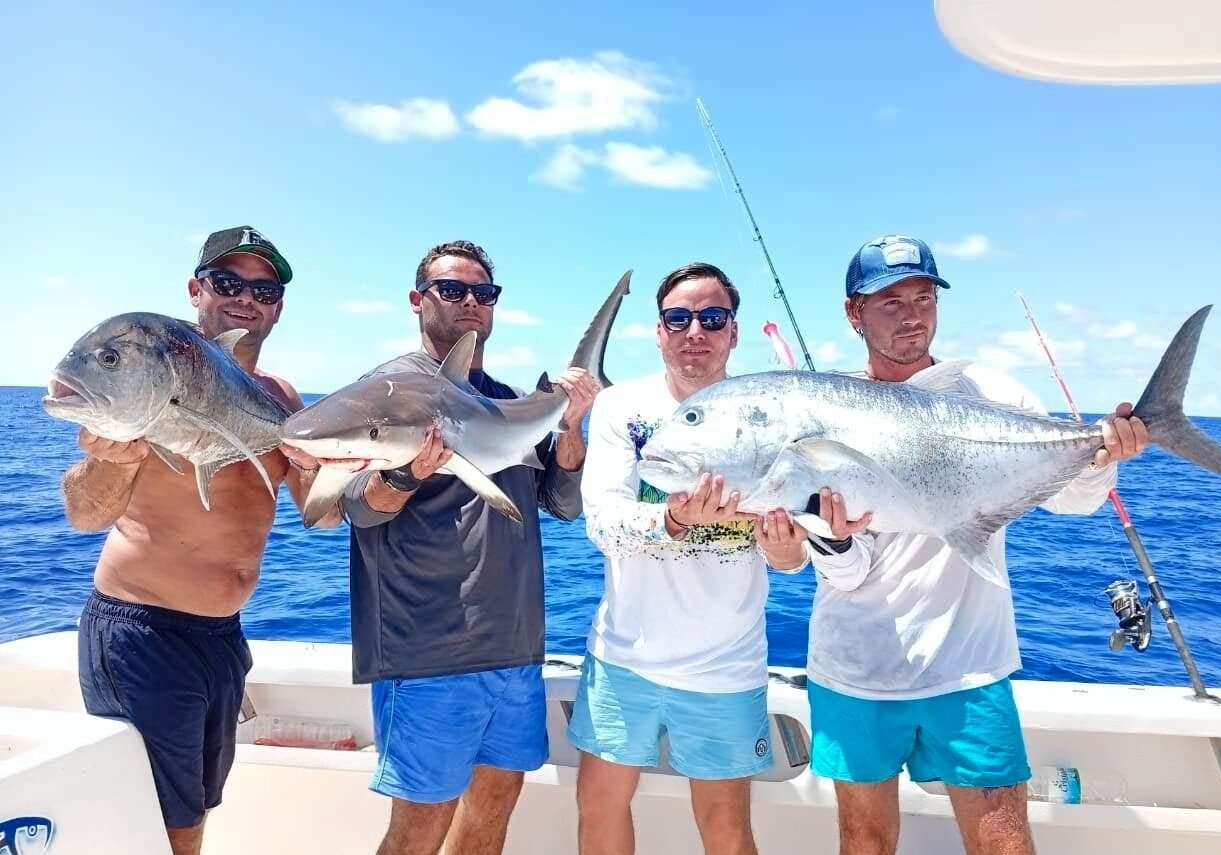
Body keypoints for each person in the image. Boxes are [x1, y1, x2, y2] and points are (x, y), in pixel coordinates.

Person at [806, 235, 1149, 855]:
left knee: (1003, 842)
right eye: (890, 301)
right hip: (854, 665)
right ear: (853, 313)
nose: (912, 314)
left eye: (923, 297)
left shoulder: (988, 390)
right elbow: (846, 573)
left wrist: (1102, 456)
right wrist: (828, 539)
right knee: (864, 841)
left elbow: (1073, 498)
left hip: (970, 663)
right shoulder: (825, 410)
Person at [64, 226, 339, 855]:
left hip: (221, 640)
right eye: (227, 282)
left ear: (278, 306)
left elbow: (323, 519)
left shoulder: (283, 398)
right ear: (196, 289)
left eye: (263, 288)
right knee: (165, 820)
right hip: (141, 633)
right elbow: (84, 514)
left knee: (198, 807)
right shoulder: (149, 386)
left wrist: (315, 463)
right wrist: (112, 460)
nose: (246, 298)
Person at [322, 240, 600, 855]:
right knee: (419, 831)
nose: (471, 302)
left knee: (492, 814)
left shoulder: (503, 401)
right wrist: (405, 473)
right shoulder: (384, 395)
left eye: (484, 293)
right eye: (453, 290)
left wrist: (572, 425)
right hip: (427, 652)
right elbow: (358, 509)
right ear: (418, 300)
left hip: (516, 646)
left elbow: (561, 503)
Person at [569, 262, 850, 855]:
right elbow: (602, 525)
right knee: (598, 807)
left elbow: (791, 554)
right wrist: (674, 520)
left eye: (712, 317)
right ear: (659, 330)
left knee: (725, 828)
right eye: (679, 317)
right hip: (624, 659)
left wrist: (786, 549)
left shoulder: (772, 408)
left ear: (733, 332)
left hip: (726, 666)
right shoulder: (623, 408)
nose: (695, 330)